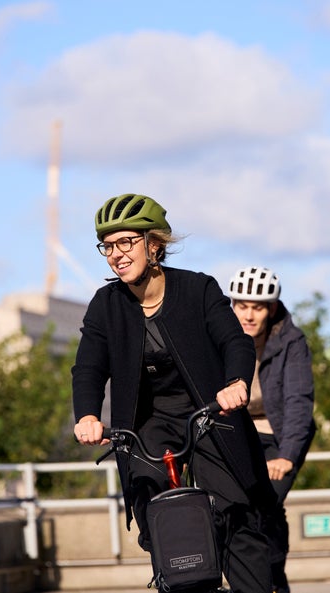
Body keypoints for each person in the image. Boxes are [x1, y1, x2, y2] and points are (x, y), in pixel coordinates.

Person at [72, 193, 277, 593]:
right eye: (108, 246)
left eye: (126, 242)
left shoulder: (198, 289)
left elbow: (234, 341)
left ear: (155, 245)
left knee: (236, 511)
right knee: (153, 506)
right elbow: (89, 367)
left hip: (209, 414)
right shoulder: (105, 305)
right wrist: (87, 414)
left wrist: (236, 382)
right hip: (148, 423)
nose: (116, 254)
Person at [228, 266, 316, 593]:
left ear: (272, 308)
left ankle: (274, 578)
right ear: (233, 305)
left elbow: (299, 401)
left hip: (281, 437)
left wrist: (287, 456)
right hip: (238, 435)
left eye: (259, 306)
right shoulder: (219, 335)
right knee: (234, 507)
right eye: (242, 305)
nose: (249, 315)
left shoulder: (290, 340)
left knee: (266, 504)